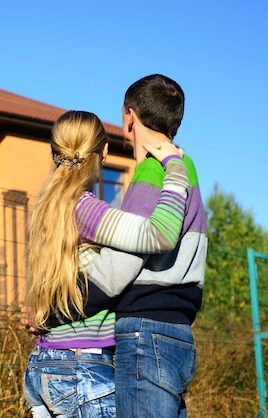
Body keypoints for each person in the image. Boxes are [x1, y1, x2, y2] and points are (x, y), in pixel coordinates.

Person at [41, 75, 207, 417]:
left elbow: (115, 272)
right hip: (180, 332)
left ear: (129, 116)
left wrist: (52, 313)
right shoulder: (186, 168)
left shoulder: (151, 171)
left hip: (146, 333)